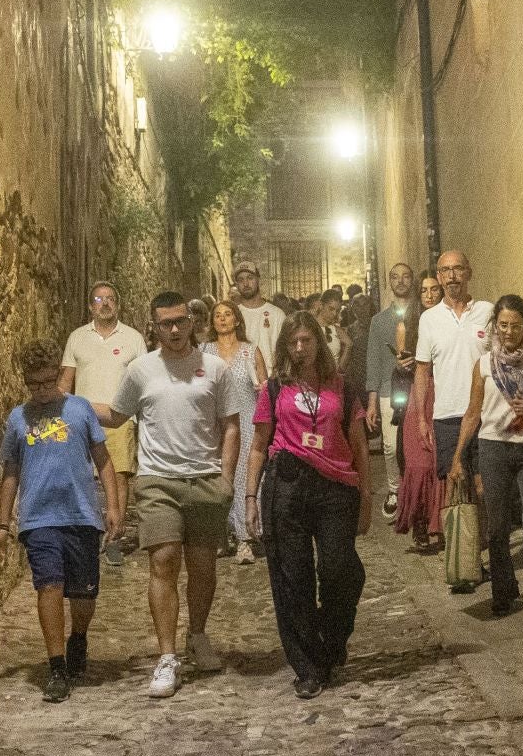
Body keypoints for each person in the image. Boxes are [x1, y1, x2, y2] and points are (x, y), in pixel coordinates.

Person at [100, 291, 239, 699]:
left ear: (192, 323)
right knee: (162, 561)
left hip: (205, 479)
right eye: (166, 324)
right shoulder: (141, 370)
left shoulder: (215, 368)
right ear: (155, 327)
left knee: (203, 567)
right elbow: (117, 415)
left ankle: (197, 635)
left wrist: (226, 478)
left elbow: (231, 424)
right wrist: (68, 402)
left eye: (180, 321)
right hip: (157, 480)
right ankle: (166, 656)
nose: (175, 329)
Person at [245, 311, 371, 699]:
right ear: (286, 347)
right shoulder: (274, 388)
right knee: (292, 577)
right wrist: (249, 498)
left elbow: (358, 444)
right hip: (287, 482)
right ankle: (309, 666)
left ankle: (332, 639)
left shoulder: (342, 387)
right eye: (293, 342)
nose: (300, 348)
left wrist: (366, 496)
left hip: (336, 487)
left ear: (319, 342)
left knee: (339, 569)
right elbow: (258, 446)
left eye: (307, 340)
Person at [0, 341, 121, 703]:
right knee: (48, 585)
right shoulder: (18, 419)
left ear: (59, 376)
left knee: (83, 594)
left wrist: (112, 506)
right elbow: (11, 472)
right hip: (38, 518)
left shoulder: (79, 409)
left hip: (81, 515)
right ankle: (57, 668)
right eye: (34, 385)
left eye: (48, 382)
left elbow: (103, 459)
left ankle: (78, 637)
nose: (42, 391)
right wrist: (2, 523)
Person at [450, 296, 523, 620]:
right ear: (495, 327)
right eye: (503, 325)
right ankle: (503, 591)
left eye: (516, 325)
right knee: (498, 526)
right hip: (494, 449)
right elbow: (473, 413)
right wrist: (458, 456)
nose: (509, 331)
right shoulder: (484, 365)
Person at [60, 281, 148, 565]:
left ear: (117, 305)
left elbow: (143, 381)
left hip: (120, 419)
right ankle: (90, 532)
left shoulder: (133, 339)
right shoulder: (77, 338)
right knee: (84, 476)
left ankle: (114, 539)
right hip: (82, 420)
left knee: (118, 476)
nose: (105, 303)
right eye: (99, 299)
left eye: (110, 298)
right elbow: (66, 380)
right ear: (91, 306)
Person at [415, 250, 494, 517]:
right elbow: (422, 370)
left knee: (484, 486)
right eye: (446, 271)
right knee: (455, 485)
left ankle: (489, 540)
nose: (452, 276)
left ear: (468, 272)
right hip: (447, 416)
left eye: (458, 269)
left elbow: (499, 361)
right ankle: (461, 544)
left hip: (485, 413)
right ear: (439, 277)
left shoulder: (487, 311)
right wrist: (422, 419)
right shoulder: (429, 319)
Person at [201, 296, 268, 566]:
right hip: (214, 423)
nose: (222, 319)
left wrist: (262, 389)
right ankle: (222, 533)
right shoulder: (204, 351)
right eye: (217, 315)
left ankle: (244, 538)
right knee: (216, 478)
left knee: (242, 478)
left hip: (247, 422)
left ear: (237, 320)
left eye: (227, 314)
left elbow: (265, 388)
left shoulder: (250, 351)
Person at [394, 270, 447, 551]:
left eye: (434, 289)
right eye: (424, 290)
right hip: (419, 392)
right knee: (419, 461)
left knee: (441, 460)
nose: (429, 295)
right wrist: (403, 363)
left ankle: (441, 523)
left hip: (445, 390)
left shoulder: (448, 321)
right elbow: (401, 362)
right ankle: (419, 522)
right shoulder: (408, 325)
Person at [367, 264, 417, 518]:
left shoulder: (422, 315)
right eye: (395, 277)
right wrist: (372, 402)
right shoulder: (379, 321)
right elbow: (374, 360)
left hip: (417, 384)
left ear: (412, 280)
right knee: (390, 444)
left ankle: (415, 489)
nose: (401, 281)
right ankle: (394, 489)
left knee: (415, 442)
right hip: (389, 387)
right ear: (389, 282)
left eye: (405, 276)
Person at [232, 261, 284, 382]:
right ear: (237, 284)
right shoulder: (233, 315)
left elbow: (284, 351)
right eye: (241, 280)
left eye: (250, 278)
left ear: (258, 279)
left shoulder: (277, 314)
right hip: (240, 383)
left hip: (271, 382)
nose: (245, 283)